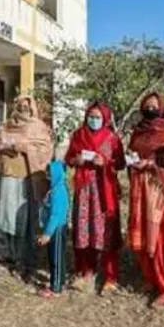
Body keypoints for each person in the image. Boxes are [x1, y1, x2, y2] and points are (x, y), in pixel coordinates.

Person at [127, 93, 164, 309]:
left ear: (161, 108)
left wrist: (151, 164)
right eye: (146, 106)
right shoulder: (138, 130)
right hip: (139, 189)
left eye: (154, 106)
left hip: (160, 189)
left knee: (160, 239)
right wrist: (133, 162)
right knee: (142, 234)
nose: (150, 109)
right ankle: (150, 278)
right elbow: (131, 153)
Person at [0, 95, 53, 276]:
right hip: (7, 177)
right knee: (6, 219)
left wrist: (24, 147)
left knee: (22, 220)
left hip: (27, 181)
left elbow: (45, 151)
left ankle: (26, 259)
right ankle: (11, 253)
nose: (23, 108)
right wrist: (0, 146)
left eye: (27, 105)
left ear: (33, 108)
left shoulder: (38, 127)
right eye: (20, 105)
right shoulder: (8, 124)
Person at [64, 102, 125, 293]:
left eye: (98, 117)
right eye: (91, 115)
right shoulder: (78, 135)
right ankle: (85, 271)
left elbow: (121, 163)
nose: (94, 120)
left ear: (105, 118)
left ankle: (110, 276)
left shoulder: (112, 138)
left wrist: (105, 162)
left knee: (105, 232)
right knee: (84, 231)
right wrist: (77, 160)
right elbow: (68, 158)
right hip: (84, 191)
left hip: (104, 190)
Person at [37, 159, 70, 299]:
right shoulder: (58, 188)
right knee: (58, 257)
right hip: (58, 228)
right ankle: (60, 282)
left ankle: (55, 288)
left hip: (55, 229)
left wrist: (47, 233)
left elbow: (55, 215)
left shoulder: (58, 193)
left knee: (55, 258)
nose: (47, 176)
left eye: (50, 173)